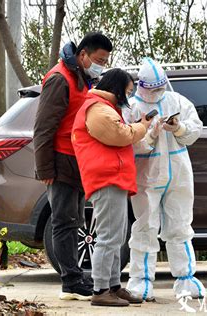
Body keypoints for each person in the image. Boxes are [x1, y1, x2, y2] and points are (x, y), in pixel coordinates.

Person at [33, 32, 112, 301]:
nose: (102, 65)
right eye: (99, 59)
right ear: (83, 55)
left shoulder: (84, 78)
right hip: (60, 160)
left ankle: (74, 276)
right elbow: (43, 128)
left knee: (75, 220)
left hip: (78, 161)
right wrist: (45, 170)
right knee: (64, 221)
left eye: (106, 61)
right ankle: (70, 281)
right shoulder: (59, 79)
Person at [123, 57, 206, 301]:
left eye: (160, 87)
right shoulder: (131, 108)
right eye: (153, 89)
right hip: (147, 176)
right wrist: (149, 137)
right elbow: (127, 142)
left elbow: (195, 129)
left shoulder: (176, 100)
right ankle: (140, 281)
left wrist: (178, 128)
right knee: (145, 227)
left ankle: (186, 279)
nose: (157, 93)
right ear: (142, 86)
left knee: (180, 225)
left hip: (178, 174)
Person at [72, 68, 152, 306]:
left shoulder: (104, 108)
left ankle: (114, 286)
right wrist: (143, 127)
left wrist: (137, 127)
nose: (128, 96)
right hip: (105, 178)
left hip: (114, 178)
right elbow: (119, 134)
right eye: (127, 91)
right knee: (108, 237)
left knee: (116, 236)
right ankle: (100, 290)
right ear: (116, 88)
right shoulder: (97, 109)